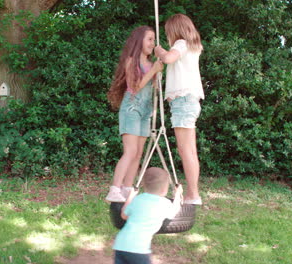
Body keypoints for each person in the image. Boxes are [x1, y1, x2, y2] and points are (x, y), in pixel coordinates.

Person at [106, 26, 164, 202]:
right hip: (131, 110)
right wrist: (153, 71)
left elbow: (151, 88)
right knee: (130, 151)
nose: (152, 43)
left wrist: (157, 75)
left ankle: (127, 188)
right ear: (139, 41)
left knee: (138, 153)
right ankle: (114, 189)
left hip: (145, 112)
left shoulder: (151, 64)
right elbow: (135, 86)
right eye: (149, 39)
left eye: (154, 39)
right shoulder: (131, 61)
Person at [154, 14, 204, 205]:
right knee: (189, 150)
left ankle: (193, 195)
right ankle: (193, 193)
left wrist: (159, 51)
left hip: (183, 101)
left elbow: (168, 58)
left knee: (186, 151)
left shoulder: (181, 44)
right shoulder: (192, 47)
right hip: (189, 101)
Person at [113, 167, 183, 264]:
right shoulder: (164, 203)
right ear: (165, 189)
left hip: (120, 245)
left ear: (144, 185)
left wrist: (130, 197)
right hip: (138, 249)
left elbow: (124, 215)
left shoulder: (138, 199)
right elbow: (175, 210)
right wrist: (178, 194)